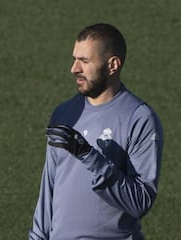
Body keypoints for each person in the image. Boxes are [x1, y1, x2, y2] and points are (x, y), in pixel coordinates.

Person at [29, 23, 163, 240]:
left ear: (112, 65)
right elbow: (49, 187)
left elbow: (140, 202)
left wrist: (91, 157)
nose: (74, 69)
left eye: (84, 61)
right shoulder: (65, 113)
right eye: (74, 59)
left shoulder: (139, 117)